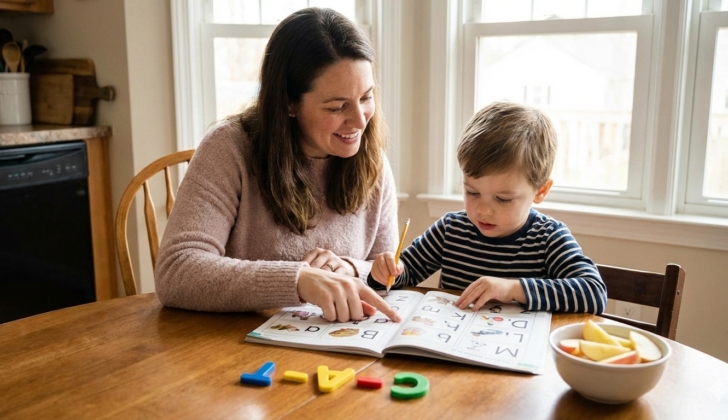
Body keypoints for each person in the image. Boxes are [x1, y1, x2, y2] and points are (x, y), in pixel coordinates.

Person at [155, 8, 401, 323]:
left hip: (334, 345)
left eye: (366, 97)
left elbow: (387, 271)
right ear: (288, 103)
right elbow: (177, 271)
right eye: (337, 106)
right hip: (231, 346)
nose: (359, 120)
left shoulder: (372, 160)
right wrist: (299, 280)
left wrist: (352, 269)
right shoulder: (229, 148)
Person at [369, 101, 607, 314]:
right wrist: (387, 271)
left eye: (503, 199)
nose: (483, 210)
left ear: (540, 191)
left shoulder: (548, 238)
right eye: (472, 192)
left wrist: (513, 288)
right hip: (449, 351)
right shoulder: (451, 230)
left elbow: (594, 293)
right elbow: (405, 272)